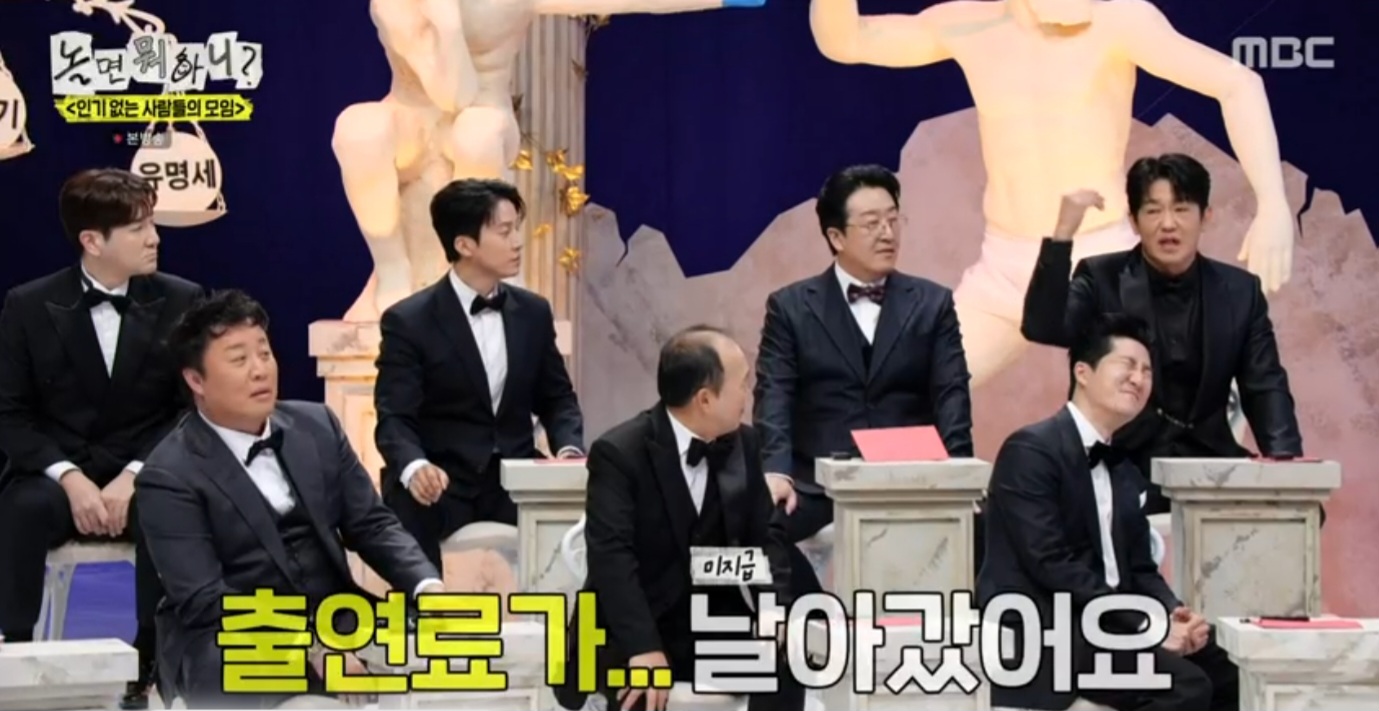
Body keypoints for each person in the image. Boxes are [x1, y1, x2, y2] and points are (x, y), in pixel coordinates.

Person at [810, 0, 1295, 387]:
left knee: (1201, 392)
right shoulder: (969, 25)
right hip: (1004, 268)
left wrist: (1273, 204)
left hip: (1101, 262)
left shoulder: (1118, 22)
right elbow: (846, 41)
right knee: (906, 387)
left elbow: (1238, 84)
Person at [135, 290, 443, 710]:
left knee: (458, 654)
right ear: (196, 381)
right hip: (233, 638)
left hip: (337, 615)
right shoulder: (168, 473)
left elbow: (372, 524)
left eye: (265, 353)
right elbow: (205, 601)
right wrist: (312, 647)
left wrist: (427, 586)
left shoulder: (317, 426)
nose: (259, 370)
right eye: (239, 360)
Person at [0, 168, 204, 709]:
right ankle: (12, 653)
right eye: (139, 229)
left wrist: (135, 475)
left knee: (166, 507)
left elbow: (191, 410)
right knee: (21, 508)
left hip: (144, 470)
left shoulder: (183, 300)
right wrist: (69, 478)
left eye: (152, 223)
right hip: (56, 475)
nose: (155, 238)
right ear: (92, 241)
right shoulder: (28, 305)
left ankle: (147, 665)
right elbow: (10, 413)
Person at [979, 312, 1238, 711]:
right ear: (1083, 372)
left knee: (1228, 669)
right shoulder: (1031, 450)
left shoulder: (1122, 468)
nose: (1139, 379)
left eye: (1147, 371)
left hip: (1109, 625)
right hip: (1051, 630)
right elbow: (1051, 564)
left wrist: (1173, 613)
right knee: (1185, 687)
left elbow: (1140, 569)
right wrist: (1145, 624)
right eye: (1127, 365)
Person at [1022, 153, 1303, 515]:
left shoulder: (1240, 292)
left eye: (1181, 209)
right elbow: (1042, 326)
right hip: (1120, 467)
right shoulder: (1101, 278)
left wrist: (1289, 474)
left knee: (1284, 517)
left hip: (1210, 464)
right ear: (1134, 221)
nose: (1168, 224)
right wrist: (1062, 235)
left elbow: (1265, 386)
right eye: (1153, 211)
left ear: (1206, 216)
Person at [754, 164, 974, 593]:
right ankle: (803, 621)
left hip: (910, 479)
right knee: (749, 530)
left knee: (994, 528)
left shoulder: (932, 303)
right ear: (836, 237)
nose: (888, 234)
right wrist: (776, 470)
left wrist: (960, 474)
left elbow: (952, 393)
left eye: (893, 220)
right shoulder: (791, 307)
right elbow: (774, 394)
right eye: (872, 224)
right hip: (817, 483)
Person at [558, 326, 800, 711]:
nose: (748, 394)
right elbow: (611, 559)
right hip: (630, 626)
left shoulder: (745, 444)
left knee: (786, 667)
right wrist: (643, 647)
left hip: (709, 623)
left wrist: (774, 611)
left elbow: (765, 540)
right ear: (705, 399)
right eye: (742, 384)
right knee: (641, 689)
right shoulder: (619, 453)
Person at [374, 178, 584, 572]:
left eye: (516, 229)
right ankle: (425, 606)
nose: (517, 242)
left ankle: (566, 613)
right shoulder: (409, 321)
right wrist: (415, 466)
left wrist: (569, 450)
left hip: (514, 478)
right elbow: (395, 418)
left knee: (584, 515)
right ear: (464, 245)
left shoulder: (533, 312)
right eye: (504, 232)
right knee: (404, 503)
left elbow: (557, 399)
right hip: (443, 479)